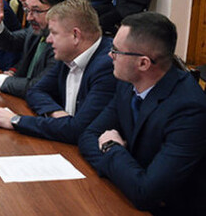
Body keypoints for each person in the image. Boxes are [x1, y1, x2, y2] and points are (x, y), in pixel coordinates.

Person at [79, 12, 206, 214]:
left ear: (143, 63)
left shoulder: (189, 109)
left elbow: (146, 193)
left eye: (116, 51)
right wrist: (126, 172)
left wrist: (112, 148)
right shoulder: (127, 84)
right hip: (122, 196)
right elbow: (88, 136)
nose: (109, 55)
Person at [0, 0, 117, 145]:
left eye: (54, 33)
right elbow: (35, 91)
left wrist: (16, 120)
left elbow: (77, 130)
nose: (49, 40)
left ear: (75, 35)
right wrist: (57, 113)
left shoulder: (108, 65)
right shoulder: (68, 55)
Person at [0, 0, 69, 98]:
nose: (28, 17)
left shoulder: (64, 44)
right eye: (28, 10)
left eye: (36, 11)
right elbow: (10, 42)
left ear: (59, 10)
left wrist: (1, 80)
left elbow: (37, 85)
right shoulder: (37, 30)